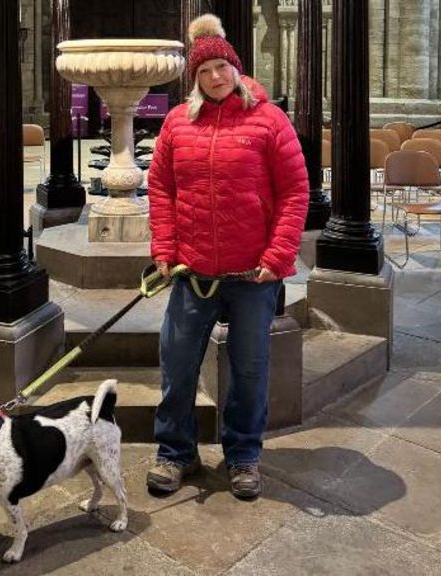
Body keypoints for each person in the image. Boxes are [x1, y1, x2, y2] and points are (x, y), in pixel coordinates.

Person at [145, 14, 309, 499]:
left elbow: (295, 191)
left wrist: (278, 254)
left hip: (253, 274)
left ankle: (242, 456)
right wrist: (164, 247)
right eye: (204, 70)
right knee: (176, 365)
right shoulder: (178, 121)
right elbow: (161, 187)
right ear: (193, 78)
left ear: (235, 67)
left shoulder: (268, 119)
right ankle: (176, 452)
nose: (214, 76)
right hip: (191, 271)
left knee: (249, 369)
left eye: (221, 66)